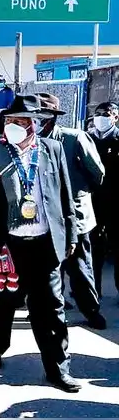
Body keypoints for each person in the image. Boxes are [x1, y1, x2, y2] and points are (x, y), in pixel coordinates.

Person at [0, 95, 81, 393]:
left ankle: (58, 368)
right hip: (5, 243)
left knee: (51, 308)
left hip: (44, 242)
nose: (14, 125)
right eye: (10, 120)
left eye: (21, 121)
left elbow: (65, 197)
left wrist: (71, 235)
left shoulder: (52, 150)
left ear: (34, 125)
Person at [36, 93, 107, 329]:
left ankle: (91, 311)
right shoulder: (28, 141)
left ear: (53, 118)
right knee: (47, 268)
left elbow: (97, 173)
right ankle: (51, 306)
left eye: (42, 116)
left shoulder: (74, 138)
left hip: (74, 215)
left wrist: (78, 193)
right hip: (42, 215)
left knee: (80, 267)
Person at [88, 101, 119, 298]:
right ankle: (93, 291)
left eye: (106, 114)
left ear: (115, 117)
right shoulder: (88, 139)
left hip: (115, 203)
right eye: (98, 113)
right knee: (93, 250)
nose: (101, 117)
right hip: (92, 202)